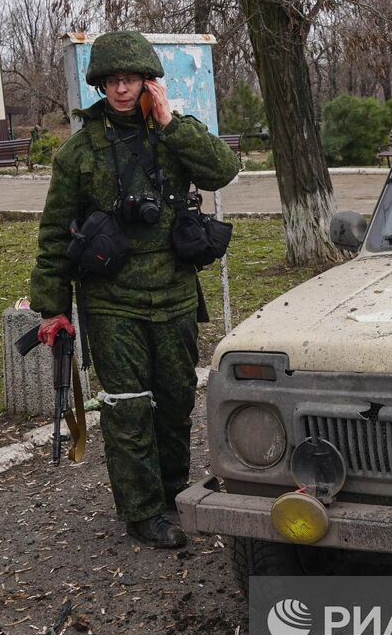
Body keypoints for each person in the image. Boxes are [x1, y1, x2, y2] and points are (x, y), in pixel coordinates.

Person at [28, 30, 239, 549]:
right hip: (111, 299)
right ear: (101, 85)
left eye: (132, 79)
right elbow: (55, 233)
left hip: (174, 294)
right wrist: (53, 308)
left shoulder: (172, 133)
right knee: (127, 406)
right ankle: (142, 512)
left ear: (149, 82)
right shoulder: (78, 153)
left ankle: (173, 495)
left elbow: (224, 171)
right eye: (113, 81)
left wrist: (169, 124)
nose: (122, 90)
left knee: (173, 399)